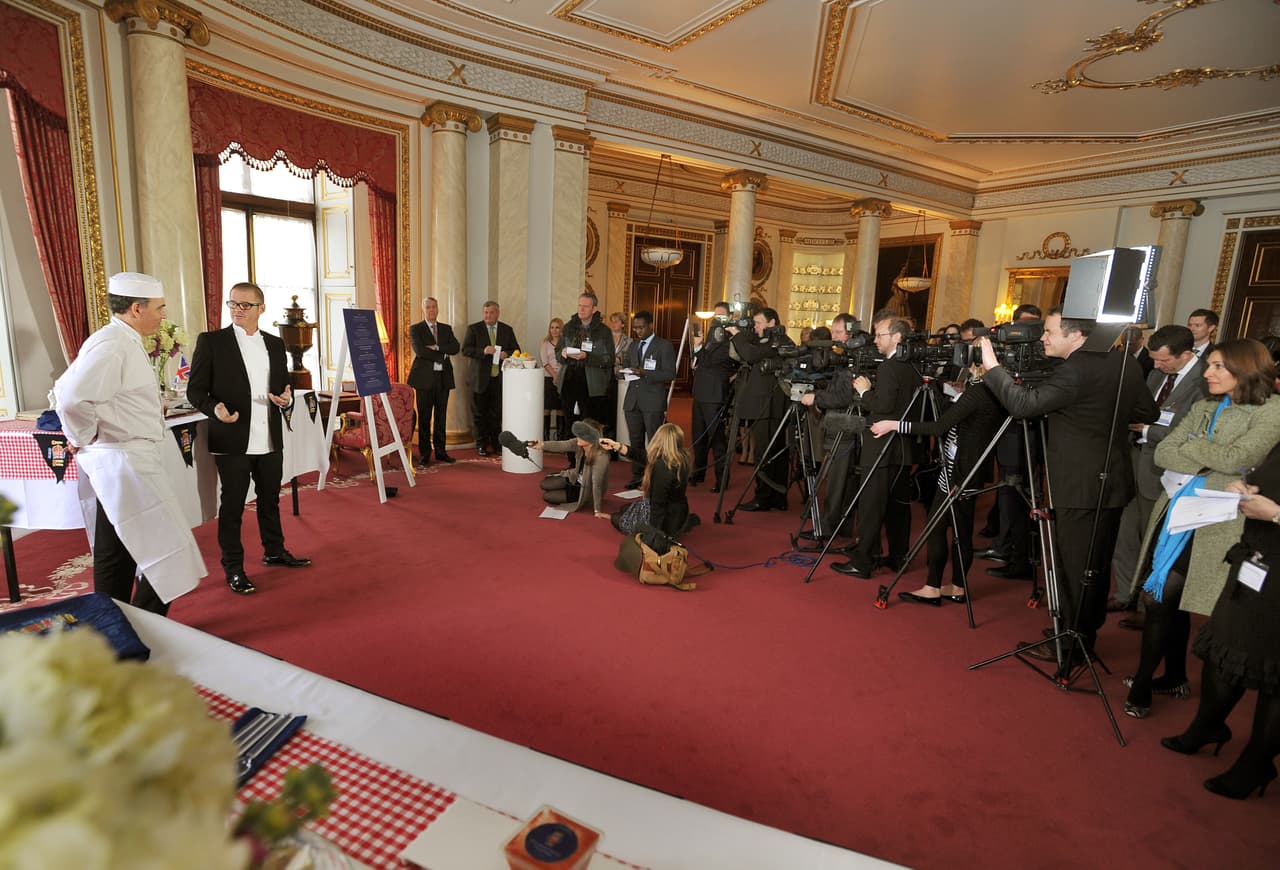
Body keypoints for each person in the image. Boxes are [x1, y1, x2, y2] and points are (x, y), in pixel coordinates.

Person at [978, 306, 1159, 667]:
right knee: (1093, 565)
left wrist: (991, 367)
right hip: (1111, 480)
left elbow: (1021, 405)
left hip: (1080, 485)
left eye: (1049, 331)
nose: (1043, 338)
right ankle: (1078, 632)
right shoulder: (1122, 362)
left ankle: (1074, 645)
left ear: (1076, 336)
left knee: (1075, 568)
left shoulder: (1075, 371)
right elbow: (1147, 412)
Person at [1124, 339, 1280, 718]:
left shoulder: (1272, 411)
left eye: (1217, 367)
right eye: (1208, 365)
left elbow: (1241, 457)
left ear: (1245, 369)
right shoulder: (1205, 405)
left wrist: (1194, 447)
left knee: (1171, 598)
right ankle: (1170, 676)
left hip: (1225, 521)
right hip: (1180, 510)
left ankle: (1147, 686)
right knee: (1164, 596)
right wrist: (1211, 455)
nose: (1207, 373)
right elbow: (1163, 452)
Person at [52, 272, 207, 614]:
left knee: (116, 550)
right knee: (168, 545)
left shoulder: (119, 339)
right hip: (125, 461)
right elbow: (71, 399)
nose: (164, 315)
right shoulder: (113, 344)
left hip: (126, 459)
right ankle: (145, 621)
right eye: (160, 308)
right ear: (137, 308)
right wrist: (81, 436)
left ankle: (115, 620)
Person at [1159, 444, 1280, 800]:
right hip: (1256, 560)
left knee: (1276, 672)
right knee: (1224, 645)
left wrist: (1274, 514)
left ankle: (1256, 763)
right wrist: (1245, 489)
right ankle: (1207, 727)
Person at [188, 280, 311, 597]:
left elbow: (284, 389)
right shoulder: (212, 342)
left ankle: (274, 550)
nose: (237, 310)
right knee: (232, 506)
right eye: (233, 304)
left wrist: (287, 400)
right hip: (232, 437)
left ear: (261, 308)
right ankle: (234, 567)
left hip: (269, 436)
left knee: (270, 500)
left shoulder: (274, 343)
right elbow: (195, 391)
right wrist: (215, 409)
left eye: (245, 305)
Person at [870, 358, 1005, 605]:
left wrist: (894, 425)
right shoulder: (999, 392)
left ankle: (932, 586)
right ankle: (957, 585)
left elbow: (938, 427)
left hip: (960, 471)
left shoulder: (979, 393)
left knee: (937, 527)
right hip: (971, 468)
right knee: (961, 530)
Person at [1110, 325, 1208, 623]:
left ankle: (1148, 606)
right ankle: (1124, 594)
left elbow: (1195, 434)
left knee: (1154, 543)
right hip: (1134, 464)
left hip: (1169, 475)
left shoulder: (1204, 382)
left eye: (1164, 360)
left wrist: (1150, 431)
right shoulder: (1155, 374)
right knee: (1125, 536)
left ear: (1186, 355)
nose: (1157, 366)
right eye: (1154, 359)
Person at [831, 313, 920, 578]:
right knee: (897, 507)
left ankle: (862, 561)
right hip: (902, 447)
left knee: (871, 505)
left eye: (880, 335)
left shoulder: (889, 367)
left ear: (897, 337)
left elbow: (882, 406)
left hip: (881, 445)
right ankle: (897, 557)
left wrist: (864, 391)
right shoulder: (913, 365)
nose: (875, 340)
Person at [798, 313, 862, 540]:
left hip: (844, 427)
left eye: (838, 333)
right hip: (843, 425)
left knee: (837, 483)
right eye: (832, 332)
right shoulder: (845, 356)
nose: (833, 337)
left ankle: (826, 529)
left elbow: (844, 396)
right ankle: (838, 526)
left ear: (850, 333)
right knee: (842, 482)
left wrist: (817, 397)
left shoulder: (855, 358)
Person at [726, 307, 795, 512]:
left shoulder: (778, 341)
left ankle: (764, 497)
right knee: (773, 451)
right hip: (767, 406)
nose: (755, 327)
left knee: (767, 452)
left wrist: (738, 335)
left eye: (759, 323)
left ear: (772, 323)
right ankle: (776, 497)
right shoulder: (767, 340)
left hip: (769, 407)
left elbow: (750, 354)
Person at [602, 424, 694, 541]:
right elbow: (642, 456)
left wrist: (654, 535)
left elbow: (658, 504)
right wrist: (617, 446)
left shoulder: (662, 467)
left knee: (617, 519)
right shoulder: (680, 457)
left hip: (665, 519)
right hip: (678, 511)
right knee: (625, 508)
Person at [622, 310, 676, 489]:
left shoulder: (664, 346)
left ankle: (654, 477)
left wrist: (645, 373)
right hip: (633, 401)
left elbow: (670, 373)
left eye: (641, 327)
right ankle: (637, 475)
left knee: (654, 441)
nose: (638, 331)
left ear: (651, 325)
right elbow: (627, 366)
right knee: (635, 441)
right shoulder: (633, 345)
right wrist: (622, 372)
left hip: (653, 401)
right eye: (635, 328)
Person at [462, 300, 520, 456]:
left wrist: (506, 354)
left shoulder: (507, 330)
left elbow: (516, 349)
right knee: (479, 414)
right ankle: (481, 444)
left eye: (491, 312)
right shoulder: (474, 329)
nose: (488, 315)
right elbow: (466, 350)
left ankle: (497, 444)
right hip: (479, 380)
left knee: (496, 414)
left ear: (498, 313)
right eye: (485, 312)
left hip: (499, 379)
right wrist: (483, 351)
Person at [406, 296, 460, 465]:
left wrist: (437, 347)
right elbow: (421, 352)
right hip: (424, 380)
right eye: (428, 307)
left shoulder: (446, 328)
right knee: (424, 418)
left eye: (434, 307)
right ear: (423, 310)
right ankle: (425, 454)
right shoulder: (416, 329)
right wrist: (444, 353)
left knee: (441, 417)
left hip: (443, 378)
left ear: (438, 309)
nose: (431, 310)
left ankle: (441, 451)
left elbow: (455, 348)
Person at [690, 302, 736, 492]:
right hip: (700, 391)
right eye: (715, 316)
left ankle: (721, 479)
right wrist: (697, 349)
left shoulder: (731, 340)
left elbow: (713, 360)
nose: (718, 319)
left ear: (730, 318)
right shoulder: (710, 335)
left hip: (715, 395)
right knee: (698, 437)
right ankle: (698, 473)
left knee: (717, 440)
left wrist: (699, 348)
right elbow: (700, 361)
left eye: (722, 316)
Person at [531, 420, 610, 518]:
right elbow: (562, 445)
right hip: (575, 478)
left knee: (547, 496)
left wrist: (597, 510)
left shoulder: (601, 456)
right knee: (544, 484)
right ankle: (566, 488)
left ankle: (574, 496)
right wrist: (542, 445)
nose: (578, 436)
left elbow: (596, 484)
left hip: (585, 490)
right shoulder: (579, 443)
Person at [559, 294, 615, 431]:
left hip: (591, 384)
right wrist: (563, 353)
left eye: (585, 306)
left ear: (594, 309)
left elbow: (609, 359)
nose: (581, 309)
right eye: (579, 305)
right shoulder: (568, 327)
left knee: (589, 424)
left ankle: (588, 452)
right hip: (569, 380)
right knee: (570, 422)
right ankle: (570, 452)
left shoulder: (603, 331)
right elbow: (557, 351)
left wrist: (587, 357)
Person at [540, 318, 565, 439]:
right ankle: (546, 437)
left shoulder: (566, 343)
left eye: (557, 327)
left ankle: (560, 437)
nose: (554, 330)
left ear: (561, 329)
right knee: (547, 408)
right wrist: (554, 375)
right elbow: (544, 362)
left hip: (563, 378)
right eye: (552, 327)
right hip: (549, 378)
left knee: (561, 408)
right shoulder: (545, 343)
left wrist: (560, 376)